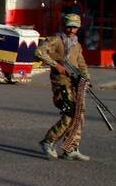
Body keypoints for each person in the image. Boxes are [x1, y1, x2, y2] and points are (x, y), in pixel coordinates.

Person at [35, 13, 91, 161]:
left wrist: (86, 79)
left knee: (79, 115)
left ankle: (70, 148)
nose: (72, 30)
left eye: (75, 27)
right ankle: (48, 141)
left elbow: (82, 64)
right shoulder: (56, 40)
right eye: (69, 26)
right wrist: (56, 65)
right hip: (61, 84)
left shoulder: (76, 44)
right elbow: (39, 52)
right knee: (69, 113)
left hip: (75, 84)